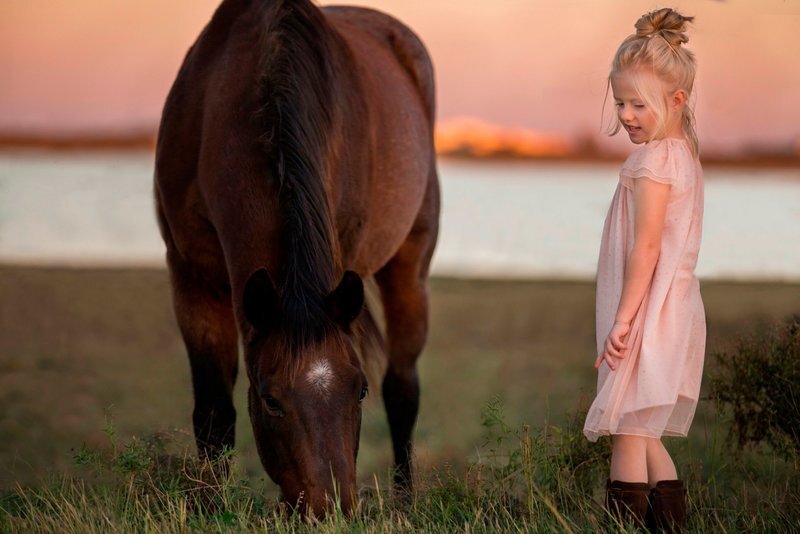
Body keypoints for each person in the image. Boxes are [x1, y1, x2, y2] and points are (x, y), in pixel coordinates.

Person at [582, 7, 705, 532]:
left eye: (639, 104)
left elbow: (647, 247)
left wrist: (624, 320)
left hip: (648, 314)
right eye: (620, 103)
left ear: (677, 100)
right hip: (670, 310)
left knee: (629, 433)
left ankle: (622, 526)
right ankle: (670, 525)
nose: (627, 115)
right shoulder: (680, 154)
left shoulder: (653, 162)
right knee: (645, 433)